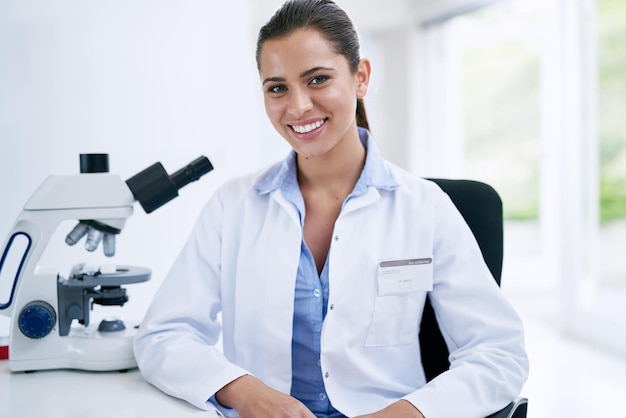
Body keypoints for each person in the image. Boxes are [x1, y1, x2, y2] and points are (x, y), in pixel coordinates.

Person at [133, 1, 529, 417]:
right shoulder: (233, 207)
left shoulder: (425, 208)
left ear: (361, 77)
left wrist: (407, 413)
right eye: (277, 87)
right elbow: (163, 334)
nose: (298, 105)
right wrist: (242, 390)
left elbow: (499, 354)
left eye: (317, 79)